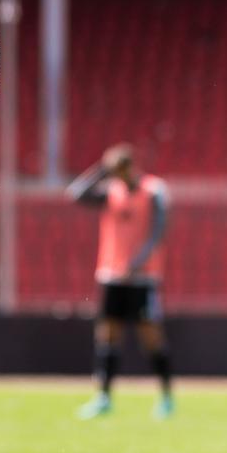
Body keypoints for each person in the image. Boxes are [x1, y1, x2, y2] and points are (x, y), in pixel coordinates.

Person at [67, 144, 172, 419]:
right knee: (108, 336)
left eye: (117, 170)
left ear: (130, 166)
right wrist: (100, 170)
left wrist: (135, 264)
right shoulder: (111, 191)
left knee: (151, 337)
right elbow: (75, 193)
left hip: (142, 278)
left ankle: (166, 397)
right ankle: (103, 397)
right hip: (111, 275)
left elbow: (158, 232)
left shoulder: (154, 190)